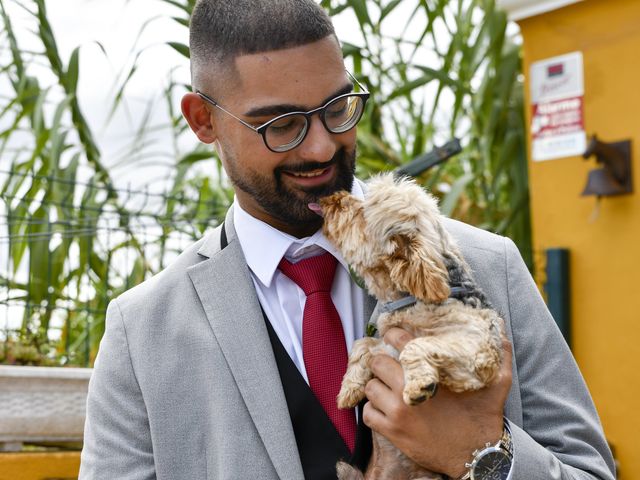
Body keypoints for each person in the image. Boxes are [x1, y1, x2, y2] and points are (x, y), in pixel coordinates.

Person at [79, 1, 616, 479]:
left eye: (338, 110)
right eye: (281, 124)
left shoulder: (487, 263)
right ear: (203, 120)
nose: (320, 148)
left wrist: (480, 454)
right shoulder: (142, 331)